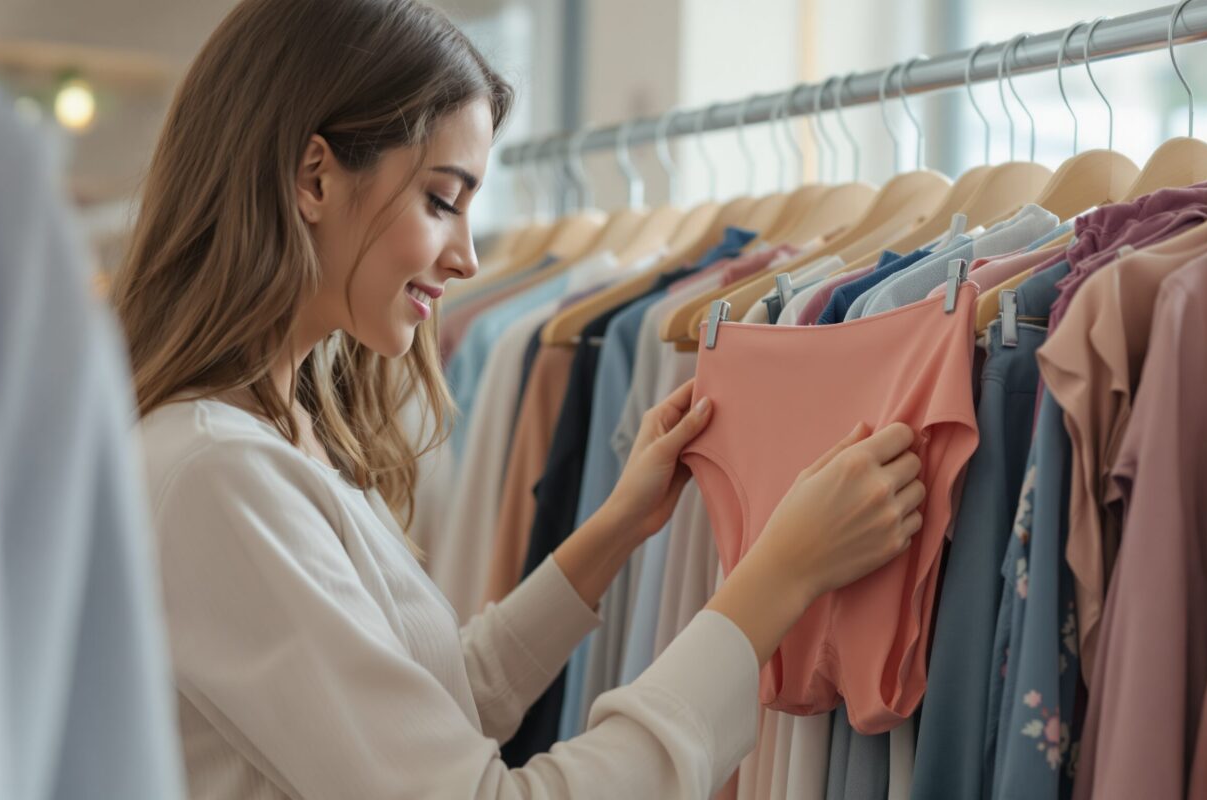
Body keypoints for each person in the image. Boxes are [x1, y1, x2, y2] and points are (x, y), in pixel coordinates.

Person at [113, 0, 926, 797]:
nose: (468, 257)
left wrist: (614, 530)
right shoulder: (218, 473)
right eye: (441, 200)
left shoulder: (282, 432)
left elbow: (432, 701)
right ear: (314, 177)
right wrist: (776, 579)